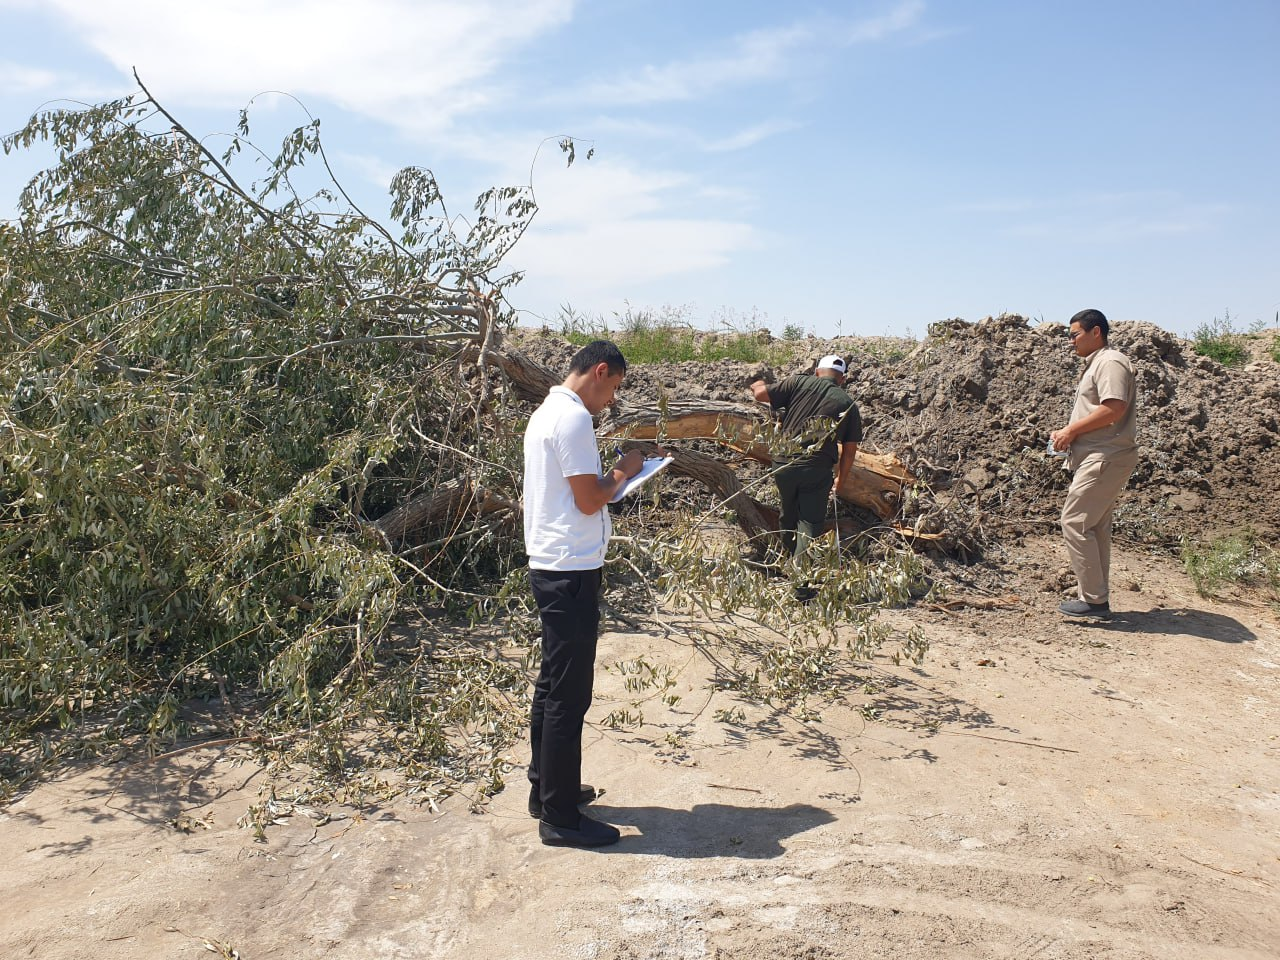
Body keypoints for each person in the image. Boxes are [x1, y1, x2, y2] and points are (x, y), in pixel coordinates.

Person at [523, 340, 644, 847]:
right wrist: (627, 470)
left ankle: (548, 789)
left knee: (553, 684)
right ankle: (560, 818)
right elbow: (590, 498)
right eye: (613, 387)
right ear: (599, 371)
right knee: (569, 696)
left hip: (554, 566)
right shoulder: (572, 419)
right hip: (569, 569)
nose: (611, 400)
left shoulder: (545, 412)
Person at [1050, 309, 1139, 619]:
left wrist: (1071, 430)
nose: (1071, 341)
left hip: (1106, 456)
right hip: (1099, 456)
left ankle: (1095, 600)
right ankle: (1096, 598)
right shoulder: (1098, 363)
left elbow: (1114, 408)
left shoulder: (1110, 362)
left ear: (1096, 332)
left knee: (1074, 521)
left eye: (1075, 335)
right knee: (1096, 526)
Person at [749, 355, 862, 596]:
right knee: (809, 523)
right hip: (816, 468)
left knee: (788, 514)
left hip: (782, 464)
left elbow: (760, 396)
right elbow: (850, 451)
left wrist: (757, 383)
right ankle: (801, 587)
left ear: (817, 372)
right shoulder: (848, 403)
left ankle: (785, 567)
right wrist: (841, 481)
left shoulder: (798, 382)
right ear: (842, 379)